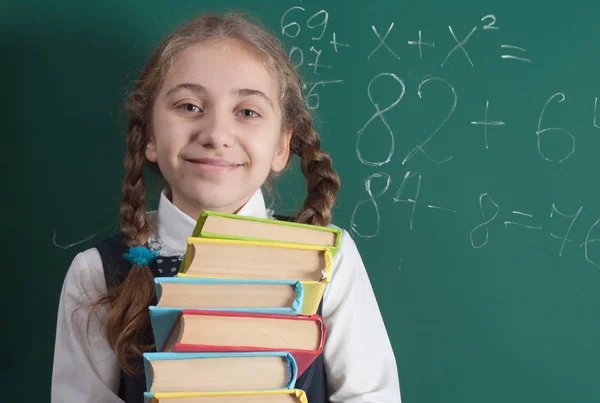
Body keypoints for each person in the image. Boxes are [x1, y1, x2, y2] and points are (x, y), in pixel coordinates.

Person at [51, 12, 401, 403]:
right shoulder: (98, 273)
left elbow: (371, 395)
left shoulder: (330, 260)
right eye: (188, 106)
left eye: (248, 112)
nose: (216, 135)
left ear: (282, 146)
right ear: (150, 135)